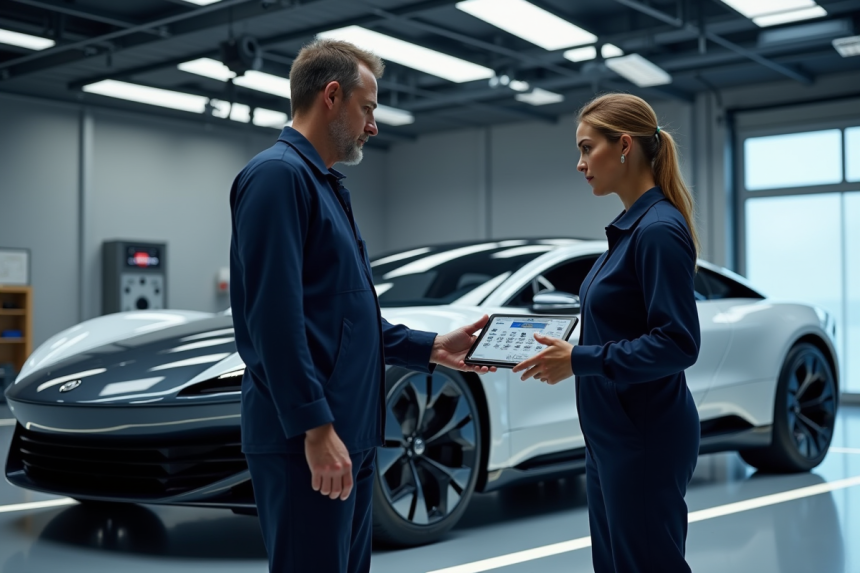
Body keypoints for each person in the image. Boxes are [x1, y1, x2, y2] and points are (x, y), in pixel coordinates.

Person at [229, 39, 494, 573]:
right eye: (368, 108)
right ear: (332, 96)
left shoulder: (325, 185)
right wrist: (315, 427)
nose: (373, 126)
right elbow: (273, 320)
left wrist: (431, 347)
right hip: (307, 439)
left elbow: (345, 317)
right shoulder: (278, 177)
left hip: (348, 433)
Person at [513, 93, 701, 573]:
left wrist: (579, 360)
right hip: (611, 436)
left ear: (624, 146)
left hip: (644, 437)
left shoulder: (657, 231)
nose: (580, 164)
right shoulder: (630, 230)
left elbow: (678, 343)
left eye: (586, 148)